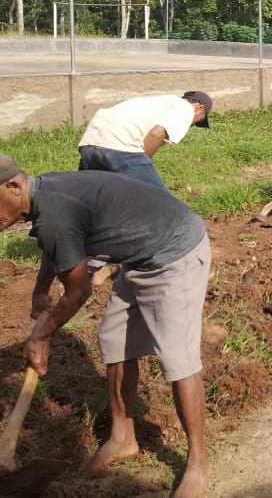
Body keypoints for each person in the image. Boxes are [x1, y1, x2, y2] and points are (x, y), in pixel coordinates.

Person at [0, 155, 211, 497]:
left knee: (178, 357)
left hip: (176, 251)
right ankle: (122, 437)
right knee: (115, 340)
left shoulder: (52, 208)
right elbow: (57, 244)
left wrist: (41, 336)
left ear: (13, 186)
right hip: (141, 254)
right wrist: (40, 290)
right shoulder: (43, 196)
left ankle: (198, 461)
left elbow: (79, 289)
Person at [77, 91, 213, 190]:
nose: (192, 125)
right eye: (198, 121)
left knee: (95, 197)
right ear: (199, 108)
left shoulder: (161, 101)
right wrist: (140, 166)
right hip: (119, 144)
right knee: (159, 201)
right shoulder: (186, 109)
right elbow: (157, 133)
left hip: (89, 141)